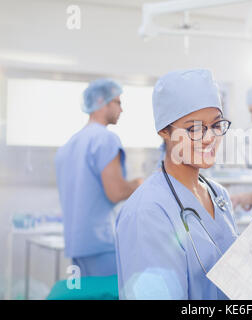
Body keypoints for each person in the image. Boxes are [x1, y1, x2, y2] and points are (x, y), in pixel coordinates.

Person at [115, 69, 238, 299]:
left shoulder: (218, 195)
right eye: (195, 128)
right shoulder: (147, 213)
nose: (210, 137)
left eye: (216, 125)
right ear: (164, 131)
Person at [55, 79, 143, 277]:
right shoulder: (105, 139)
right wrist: (141, 184)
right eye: (118, 102)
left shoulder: (69, 144)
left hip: (76, 246)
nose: (122, 110)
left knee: (83, 294)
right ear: (102, 102)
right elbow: (116, 192)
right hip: (101, 245)